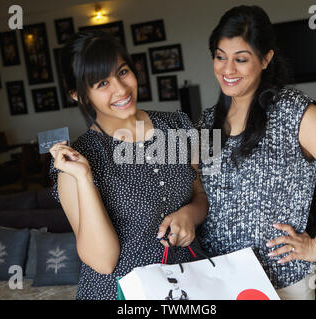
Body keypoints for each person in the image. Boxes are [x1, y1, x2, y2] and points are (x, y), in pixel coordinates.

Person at [196, 5, 316, 300]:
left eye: (241, 59)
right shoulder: (207, 121)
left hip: (280, 284)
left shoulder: (293, 110)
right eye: (220, 56)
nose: (227, 69)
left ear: (266, 58)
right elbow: (199, 191)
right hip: (218, 281)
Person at [48, 31, 208, 300]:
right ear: (78, 95)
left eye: (122, 72)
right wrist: (85, 178)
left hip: (188, 283)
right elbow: (103, 262)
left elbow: (201, 195)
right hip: (121, 292)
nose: (121, 89)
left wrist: (191, 214)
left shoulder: (179, 126)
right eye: (102, 83)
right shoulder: (74, 163)